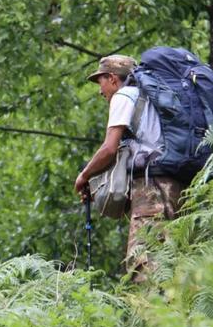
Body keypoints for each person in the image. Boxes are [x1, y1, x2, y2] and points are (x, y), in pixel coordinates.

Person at [74, 55, 186, 282]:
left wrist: (84, 176)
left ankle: (151, 315)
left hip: (152, 188)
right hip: (177, 184)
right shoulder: (150, 97)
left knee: (143, 266)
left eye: (101, 82)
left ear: (113, 79)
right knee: (174, 262)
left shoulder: (123, 96)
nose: (100, 90)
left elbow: (109, 149)